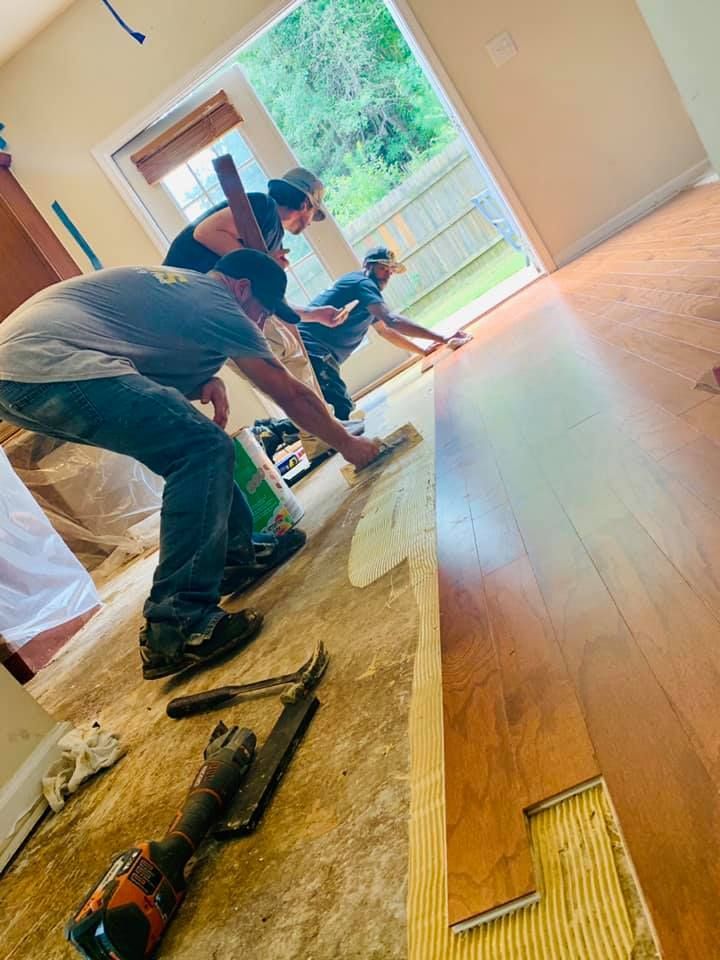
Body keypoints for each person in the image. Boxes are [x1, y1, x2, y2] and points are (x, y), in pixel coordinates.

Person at [0, 251, 381, 681]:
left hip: (17, 372)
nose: (257, 328)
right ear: (241, 288)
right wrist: (348, 444)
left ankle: (235, 556)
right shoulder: (219, 302)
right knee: (200, 448)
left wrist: (201, 380)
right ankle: (176, 623)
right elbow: (289, 393)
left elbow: (139, 351)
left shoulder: (181, 288)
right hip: (48, 360)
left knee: (195, 444)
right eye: (259, 315)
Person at [164, 165, 361, 458]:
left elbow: (267, 301)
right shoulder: (260, 206)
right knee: (285, 357)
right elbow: (206, 232)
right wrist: (261, 260)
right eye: (312, 215)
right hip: (202, 304)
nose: (309, 223)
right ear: (305, 204)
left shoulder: (268, 235)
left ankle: (323, 429)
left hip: (212, 309)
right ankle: (321, 432)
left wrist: (314, 314)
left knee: (291, 348)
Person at [298, 247, 471, 421]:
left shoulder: (363, 289)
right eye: (383, 268)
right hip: (313, 349)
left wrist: (423, 351)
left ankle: (277, 432)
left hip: (314, 351)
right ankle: (282, 432)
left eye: (391, 270)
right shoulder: (363, 284)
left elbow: (384, 331)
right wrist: (443, 338)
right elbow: (391, 320)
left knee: (319, 406)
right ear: (368, 265)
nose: (387, 274)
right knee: (341, 408)